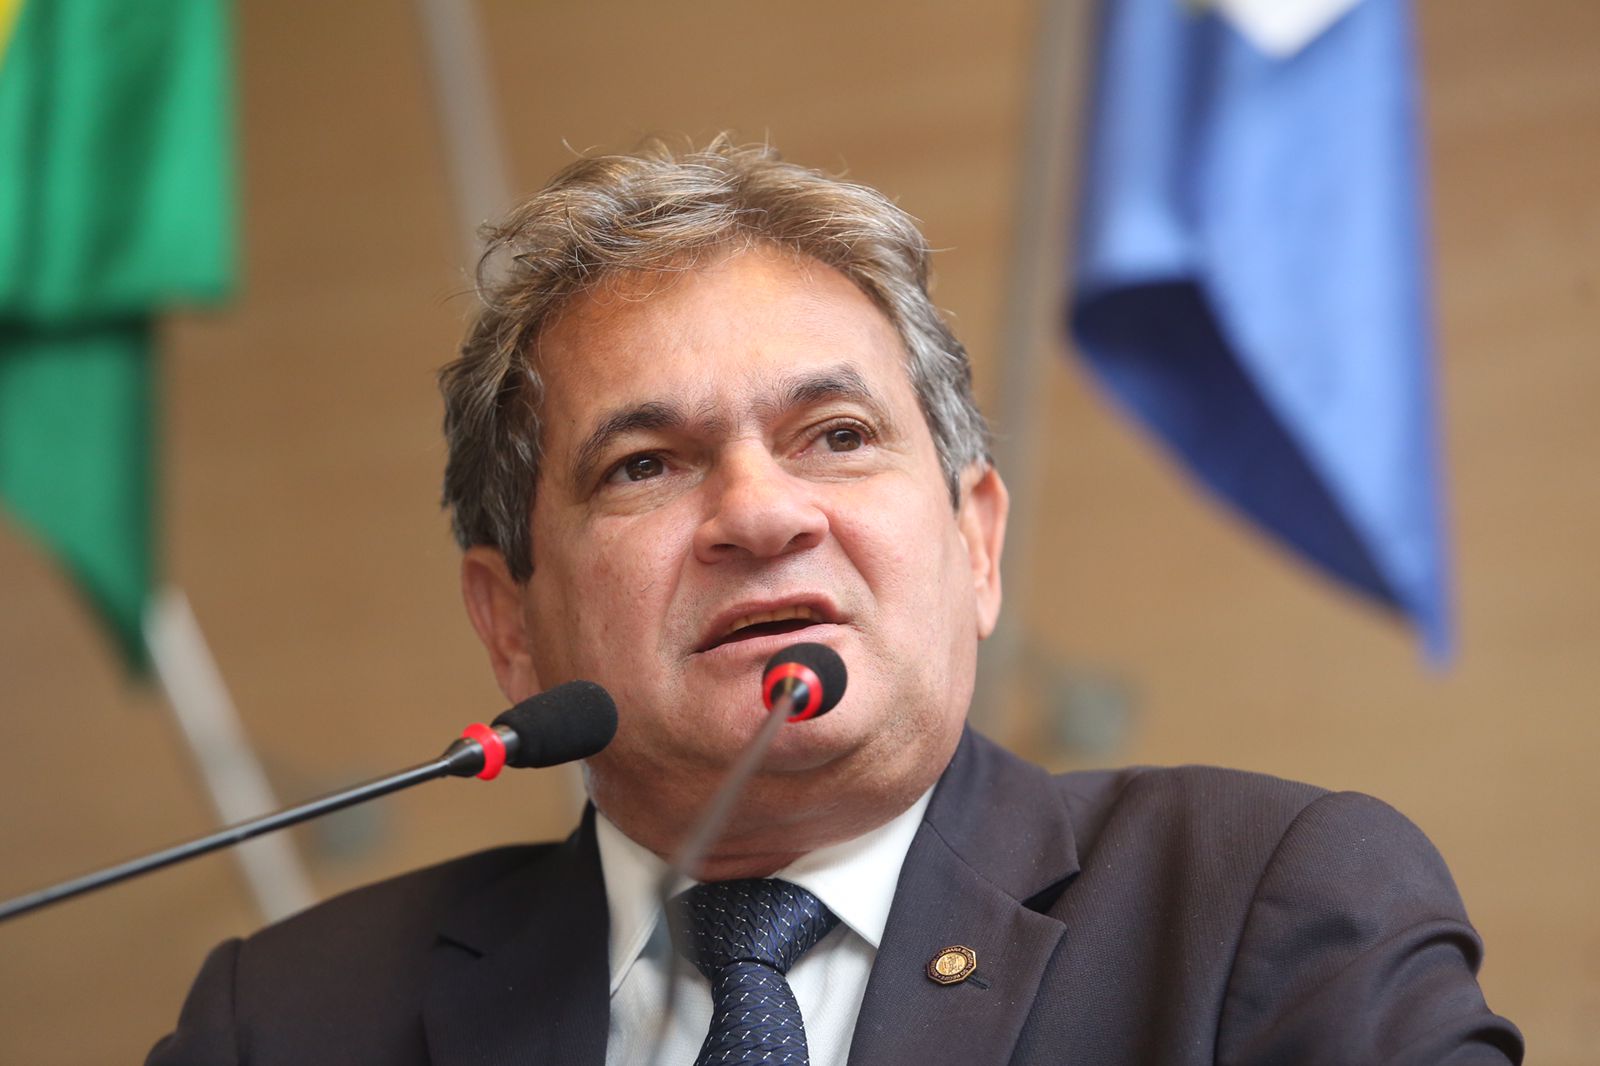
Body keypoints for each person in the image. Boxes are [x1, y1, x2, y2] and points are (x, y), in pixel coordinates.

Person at [149, 139, 1522, 1065]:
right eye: (646, 464)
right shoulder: (287, 1023)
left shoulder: (1259, 907)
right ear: (510, 623)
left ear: (976, 544)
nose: (762, 514)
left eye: (838, 436)